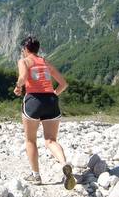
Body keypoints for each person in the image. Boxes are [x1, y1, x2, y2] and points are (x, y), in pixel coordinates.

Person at [13, 36, 76, 189]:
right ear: (37, 49)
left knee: (30, 140)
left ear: (25, 50)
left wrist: (18, 87)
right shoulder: (45, 63)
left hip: (34, 101)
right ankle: (64, 163)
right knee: (51, 140)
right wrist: (53, 93)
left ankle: (36, 175)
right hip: (51, 101)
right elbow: (64, 84)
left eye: (22, 49)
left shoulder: (24, 61)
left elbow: (22, 77)